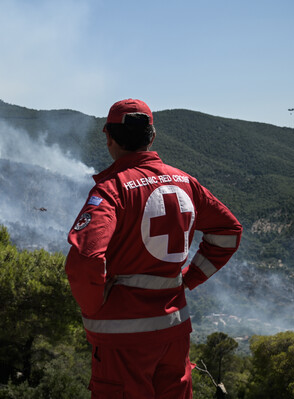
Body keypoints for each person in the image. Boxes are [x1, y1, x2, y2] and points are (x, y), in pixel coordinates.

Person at [65, 99, 242, 399]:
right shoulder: (186, 182)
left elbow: (85, 258)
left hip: (122, 344)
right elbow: (228, 232)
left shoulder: (111, 189)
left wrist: (95, 308)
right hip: (174, 332)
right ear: (152, 136)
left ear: (108, 137)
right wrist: (189, 278)